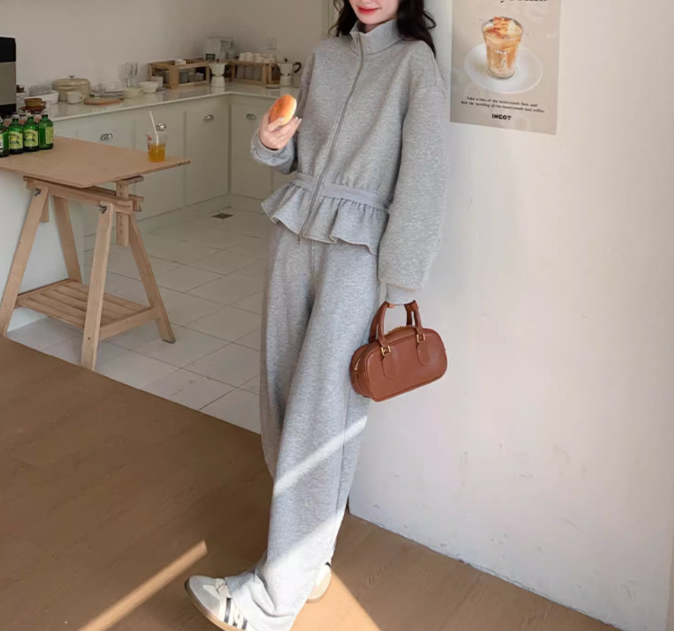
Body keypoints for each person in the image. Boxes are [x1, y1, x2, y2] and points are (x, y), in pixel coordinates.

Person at [185, 0, 447, 629]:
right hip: (294, 231)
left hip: (357, 254)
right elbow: (290, 150)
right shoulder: (325, 56)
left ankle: (273, 599)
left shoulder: (415, 65)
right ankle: (308, 559)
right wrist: (268, 142)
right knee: (278, 393)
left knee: (323, 413)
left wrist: (400, 279)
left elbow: (425, 178)